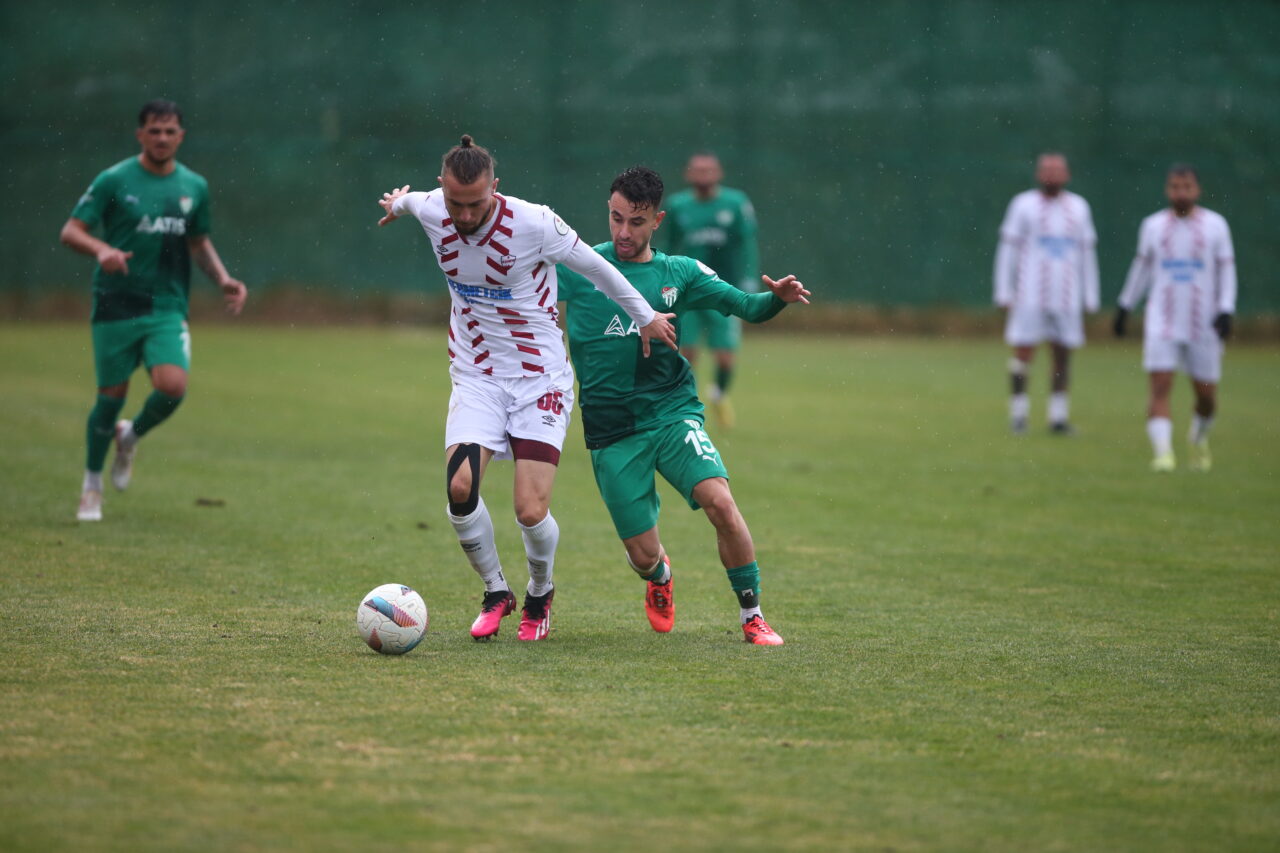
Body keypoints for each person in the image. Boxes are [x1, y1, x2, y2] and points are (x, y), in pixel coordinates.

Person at [377, 137, 677, 642]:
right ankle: (496, 592)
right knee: (459, 488)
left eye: (476, 203)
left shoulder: (534, 223)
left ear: (496, 188)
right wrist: (395, 203)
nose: (465, 214)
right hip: (476, 376)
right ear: (441, 190)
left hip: (540, 379)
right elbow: (409, 202)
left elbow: (598, 269)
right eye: (455, 203)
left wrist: (644, 317)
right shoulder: (433, 208)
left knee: (529, 509)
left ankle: (540, 592)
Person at [557, 166, 810, 646]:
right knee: (642, 554)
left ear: (658, 220)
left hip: (672, 412)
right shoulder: (581, 268)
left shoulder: (681, 273)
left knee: (721, 503)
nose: (623, 232)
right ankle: (659, 577)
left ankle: (752, 615)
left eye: (636, 221)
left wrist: (776, 300)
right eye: (615, 219)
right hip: (611, 428)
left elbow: (747, 307)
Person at [60, 99, 247, 522]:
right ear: (140, 134)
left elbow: (197, 242)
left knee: (172, 387)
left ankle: (131, 436)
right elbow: (71, 231)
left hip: (166, 303)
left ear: (181, 136)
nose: (162, 138)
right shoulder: (114, 179)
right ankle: (91, 485)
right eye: (154, 131)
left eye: (170, 131)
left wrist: (223, 279)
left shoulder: (193, 186)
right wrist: (102, 249)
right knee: (110, 398)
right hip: (115, 302)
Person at [1114, 164, 1236, 472]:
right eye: (1174, 187)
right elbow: (1141, 269)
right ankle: (1163, 454)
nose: (1180, 193)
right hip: (1163, 319)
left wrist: (1226, 308)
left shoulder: (1216, 226)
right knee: (1160, 384)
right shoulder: (1153, 226)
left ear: (1197, 190)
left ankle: (1198, 436)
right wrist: (1125, 306)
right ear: (1167, 190)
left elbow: (1226, 269)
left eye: (1187, 187)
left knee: (1206, 395)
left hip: (1203, 321)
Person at [993, 153, 1100, 434]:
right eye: (1047, 169)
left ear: (1068, 175)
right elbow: (1008, 249)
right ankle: (1018, 415)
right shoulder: (1022, 205)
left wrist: (1091, 295)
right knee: (1022, 352)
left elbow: (1086, 252)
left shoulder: (1079, 207)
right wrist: (1004, 290)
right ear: (1038, 174)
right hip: (1029, 295)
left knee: (1062, 354)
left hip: (1066, 295)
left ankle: (1058, 417)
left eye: (1058, 170)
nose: (1052, 175)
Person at [664, 152, 759, 428]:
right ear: (688, 174)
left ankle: (718, 395)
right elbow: (668, 248)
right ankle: (683, 408)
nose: (703, 175)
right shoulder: (678, 205)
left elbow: (747, 243)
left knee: (725, 357)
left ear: (719, 173)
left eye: (708, 170)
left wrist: (749, 278)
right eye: (697, 170)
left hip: (723, 292)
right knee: (686, 355)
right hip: (689, 294)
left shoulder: (735, 203)